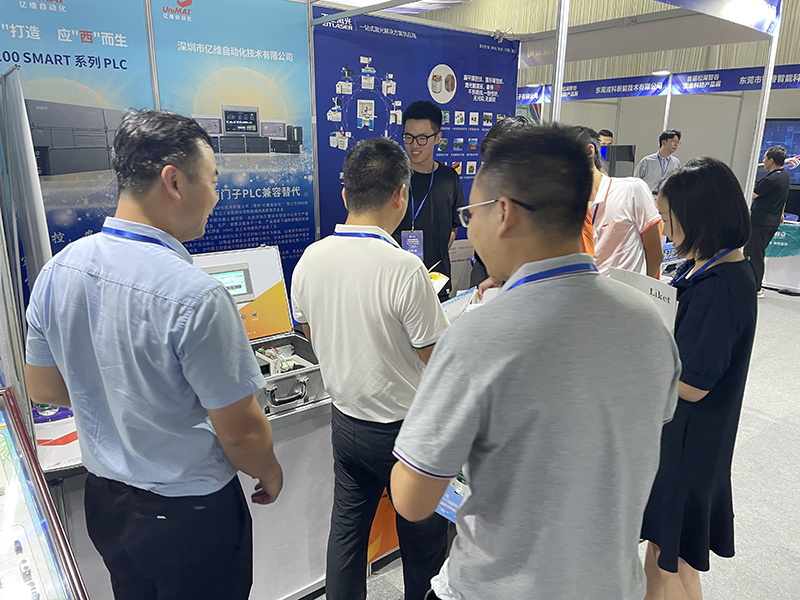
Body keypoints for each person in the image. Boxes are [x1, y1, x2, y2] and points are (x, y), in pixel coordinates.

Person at [389, 125, 681, 600]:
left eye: (471, 214)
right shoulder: (649, 322)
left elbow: (412, 499)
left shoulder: (477, 336)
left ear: (503, 213)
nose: (469, 229)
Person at [24, 110, 283, 600]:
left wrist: (120, 400)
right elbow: (242, 431)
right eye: (212, 180)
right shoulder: (196, 295)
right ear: (174, 181)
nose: (217, 196)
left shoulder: (58, 270)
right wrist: (270, 471)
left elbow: (43, 387)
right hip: (190, 515)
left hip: (107, 504)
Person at [291, 137, 450, 600]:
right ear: (401, 194)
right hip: (404, 433)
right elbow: (439, 362)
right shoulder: (405, 268)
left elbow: (309, 335)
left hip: (346, 422)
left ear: (346, 194)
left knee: (346, 534)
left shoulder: (310, 258)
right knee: (422, 542)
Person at [641, 157, 757, 600]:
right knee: (667, 556)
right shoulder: (707, 268)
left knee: (667, 565)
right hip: (688, 438)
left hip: (689, 443)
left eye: (669, 219)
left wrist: (635, 368)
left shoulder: (721, 286)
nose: (665, 231)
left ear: (700, 217)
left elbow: (692, 385)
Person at [472, 119, 596, 291]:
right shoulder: (494, 198)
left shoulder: (563, 205)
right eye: (487, 164)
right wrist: (498, 276)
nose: (491, 174)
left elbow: (578, 273)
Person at [395, 100, 465, 300]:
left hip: (437, 281)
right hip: (398, 283)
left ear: (437, 138)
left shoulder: (449, 178)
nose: (414, 145)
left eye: (422, 138)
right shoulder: (393, 178)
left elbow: (453, 226)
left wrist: (437, 254)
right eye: (408, 137)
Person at [574, 125, 663, 277]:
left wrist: (643, 289)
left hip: (628, 291)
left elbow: (655, 253)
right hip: (587, 289)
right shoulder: (568, 205)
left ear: (589, 151)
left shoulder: (631, 190)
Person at [745, 145, 791, 298]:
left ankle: (755, 287)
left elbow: (751, 195)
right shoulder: (785, 176)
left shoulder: (769, 180)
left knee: (754, 255)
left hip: (760, 222)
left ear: (771, 161)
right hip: (772, 221)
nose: (763, 161)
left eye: (764, 159)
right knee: (758, 253)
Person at [634, 129, 683, 194]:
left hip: (666, 198)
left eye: (677, 142)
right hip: (648, 197)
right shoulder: (647, 161)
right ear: (664, 142)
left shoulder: (676, 163)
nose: (676, 144)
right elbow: (635, 181)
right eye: (674, 141)